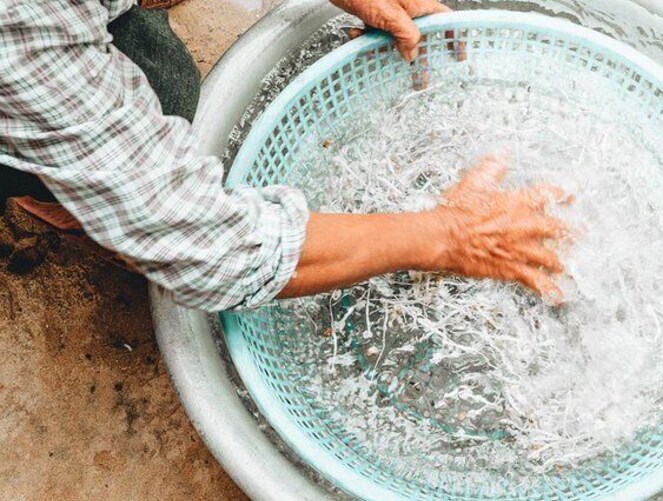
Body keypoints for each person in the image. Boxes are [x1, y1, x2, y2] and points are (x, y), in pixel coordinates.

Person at [0, 0, 568, 311]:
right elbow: (210, 249)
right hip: (21, 60)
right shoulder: (23, 33)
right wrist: (448, 236)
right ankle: (45, 188)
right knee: (164, 87)